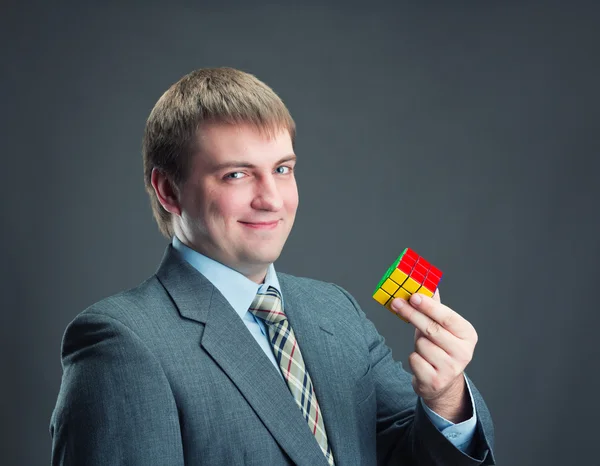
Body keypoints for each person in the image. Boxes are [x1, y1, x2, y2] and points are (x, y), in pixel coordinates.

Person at [50, 67, 495, 465]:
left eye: (282, 169)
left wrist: (446, 398)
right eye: (237, 175)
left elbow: (410, 456)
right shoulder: (121, 343)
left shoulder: (335, 311)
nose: (271, 200)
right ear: (168, 190)